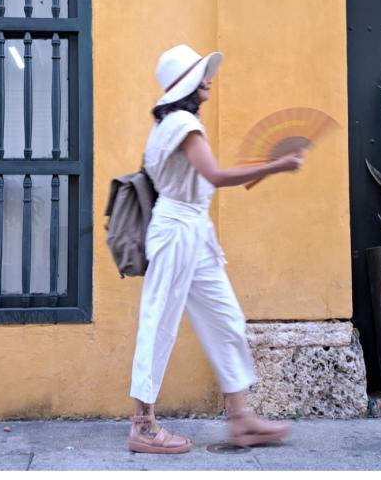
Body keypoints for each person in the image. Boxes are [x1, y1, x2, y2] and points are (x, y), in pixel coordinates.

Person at [127, 44, 305, 455]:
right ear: (184, 85)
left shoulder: (172, 124)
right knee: (159, 322)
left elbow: (202, 179)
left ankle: (241, 419)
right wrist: (275, 166)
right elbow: (216, 174)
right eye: (200, 73)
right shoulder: (182, 123)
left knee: (226, 318)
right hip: (176, 229)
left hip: (192, 229)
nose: (209, 78)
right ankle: (143, 425)